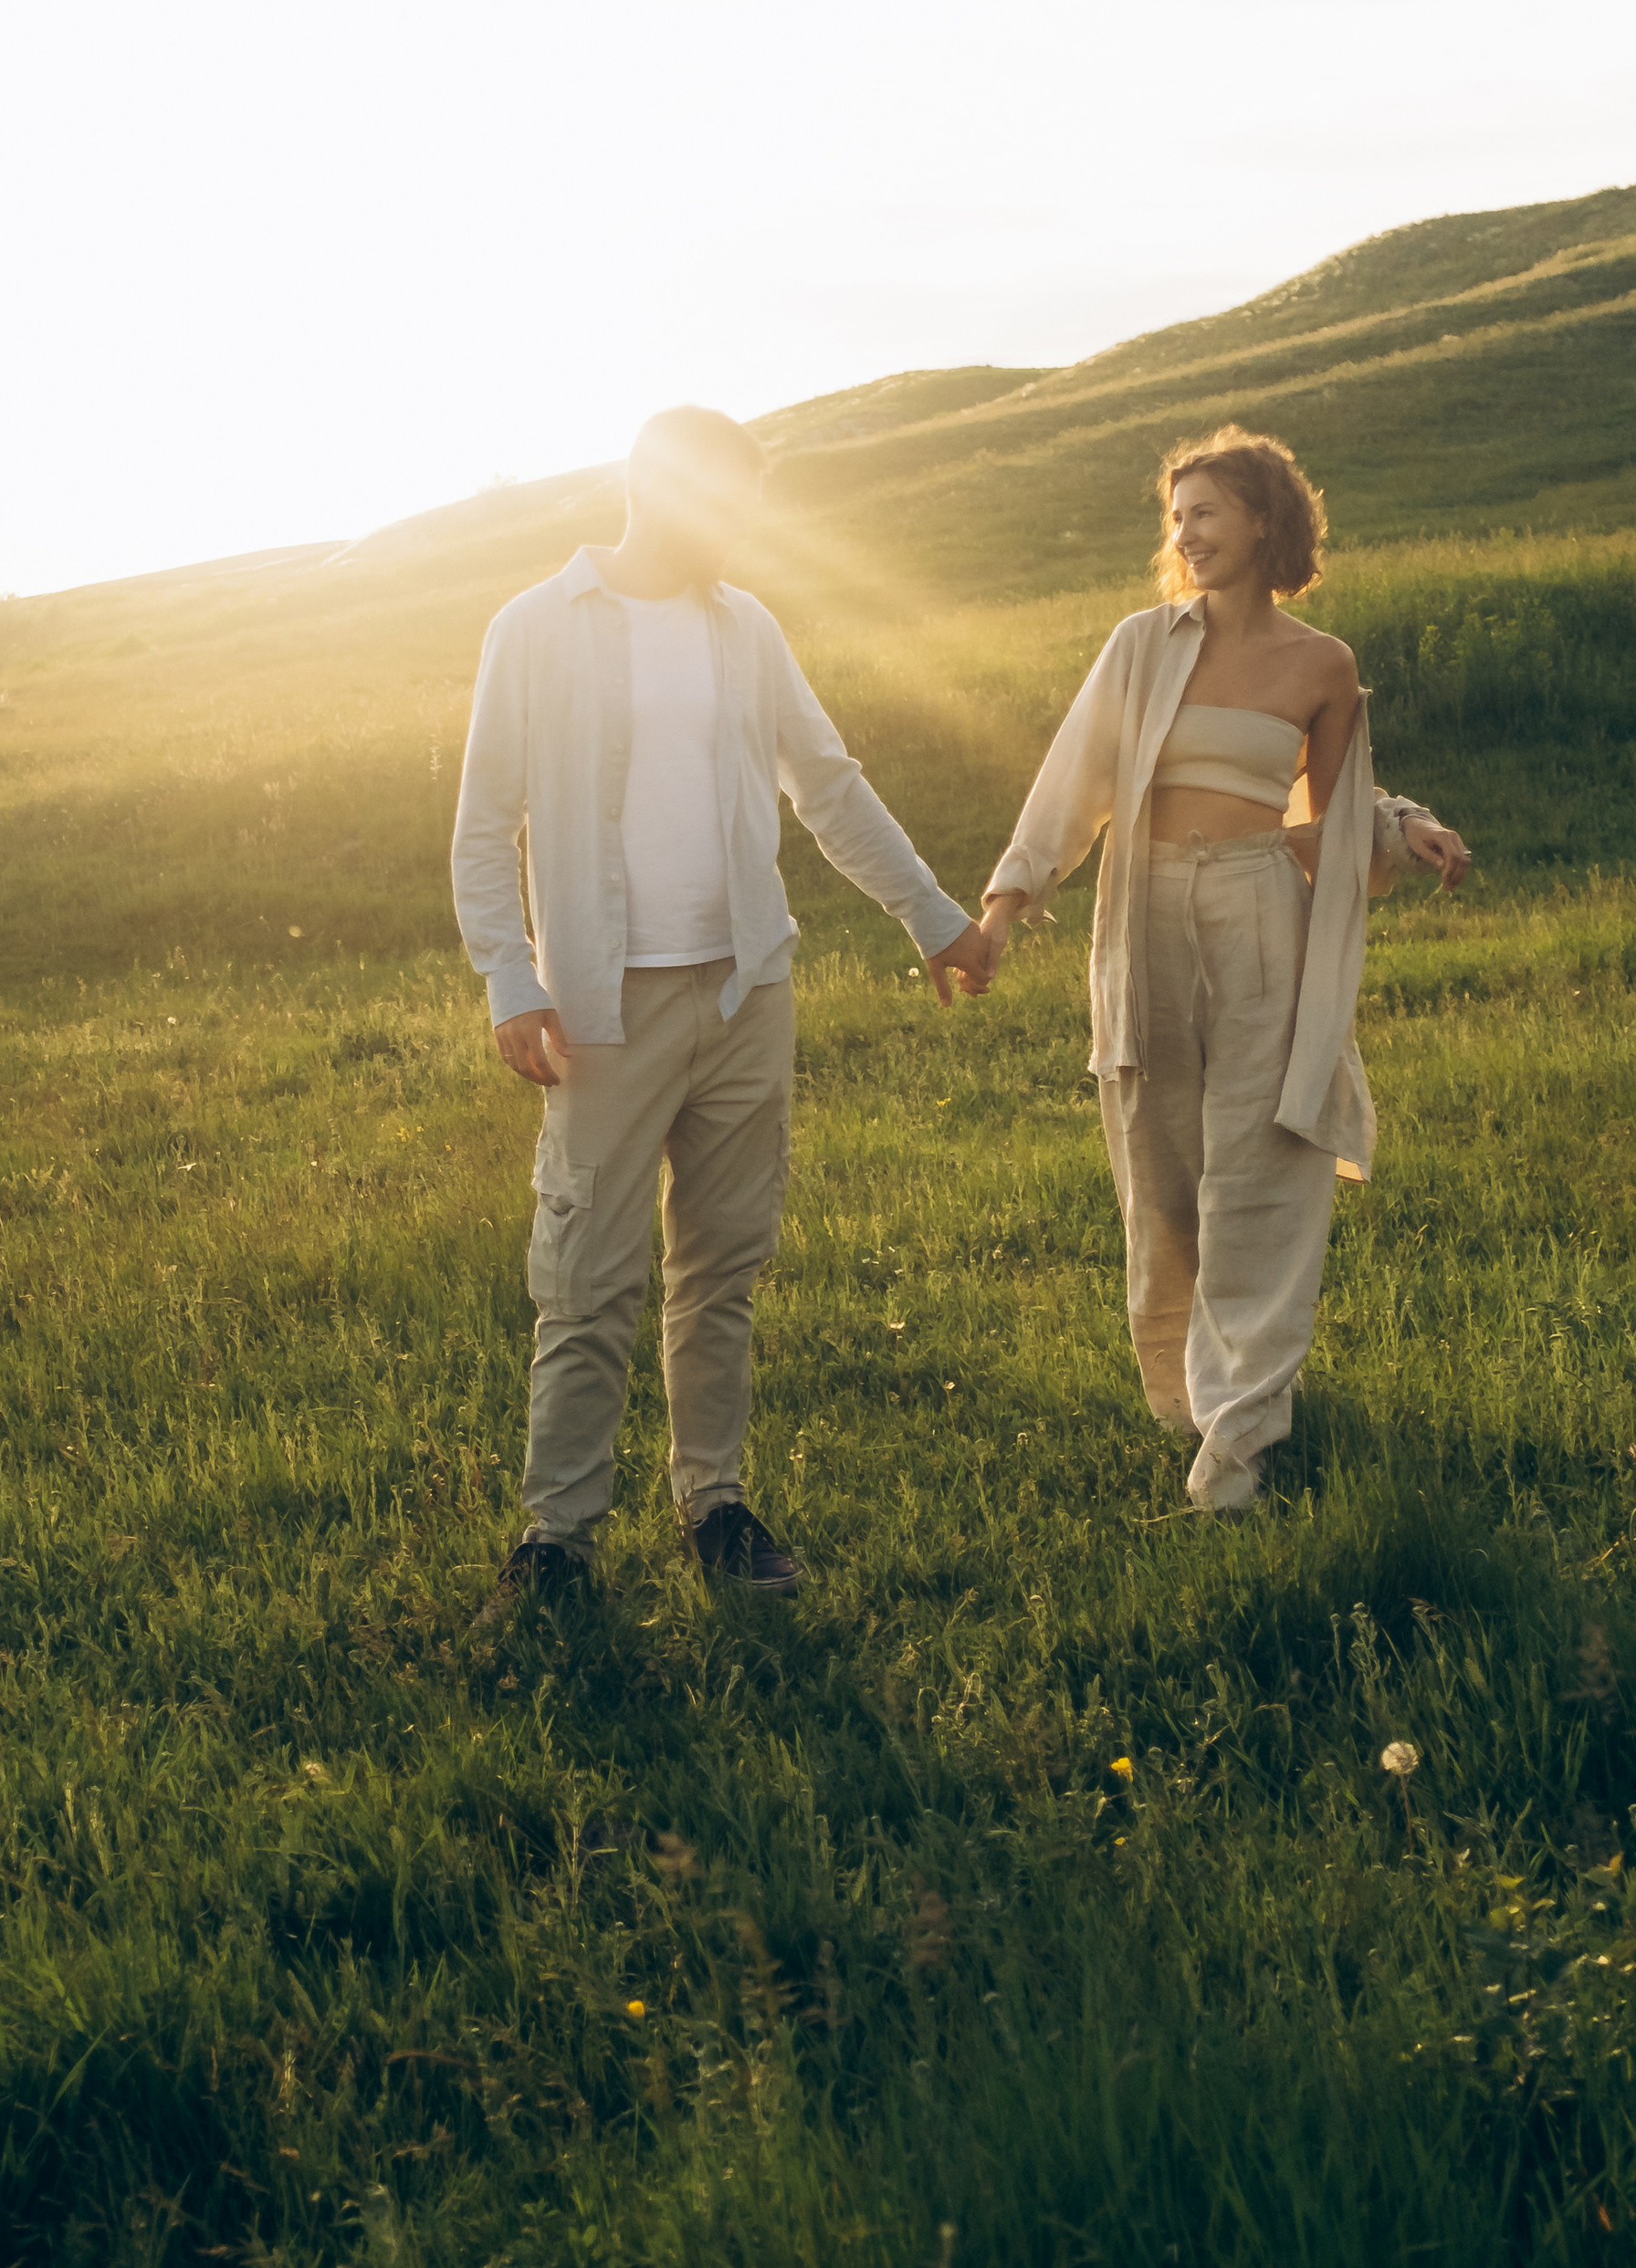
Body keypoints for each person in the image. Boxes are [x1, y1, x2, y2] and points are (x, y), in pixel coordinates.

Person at [451, 405, 996, 1612]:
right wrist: (510, 977)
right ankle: (558, 1544)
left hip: (747, 988)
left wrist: (932, 914)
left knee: (721, 1269)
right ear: (647, 486)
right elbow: (485, 824)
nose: (736, 530)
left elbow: (831, 788)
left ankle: (716, 1506)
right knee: (587, 1280)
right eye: (718, 505)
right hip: (603, 1007)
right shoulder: (535, 628)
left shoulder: (745, 628)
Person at [978, 427, 1469, 1513]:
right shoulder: (1141, 645)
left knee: (1261, 1165)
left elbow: (1326, 821)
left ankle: (1241, 1443)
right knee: (1162, 1178)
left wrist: (1407, 826)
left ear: (1262, 520)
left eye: (1204, 511)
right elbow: (1075, 783)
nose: (1184, 534)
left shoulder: (1320, 664)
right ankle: (1194, 1397)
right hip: (1143, 912)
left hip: (1258, 907)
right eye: (1175, 517)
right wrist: (1009, 904)